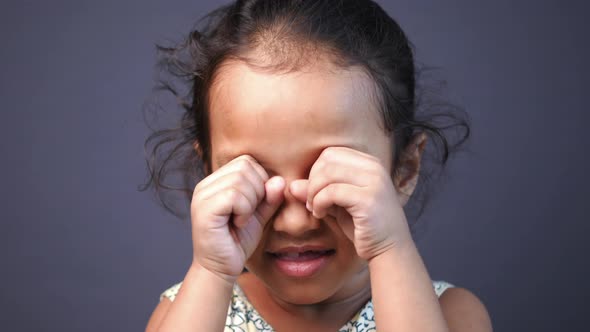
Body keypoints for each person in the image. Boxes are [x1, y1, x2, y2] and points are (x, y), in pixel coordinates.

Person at [143, 0, 492, 331]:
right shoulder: (179, 314)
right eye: (257, 176)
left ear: (404, 169)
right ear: (211, 173)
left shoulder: (451, 314)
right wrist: (212, 272)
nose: (295, 222)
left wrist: (390, 249)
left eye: (332, 171)